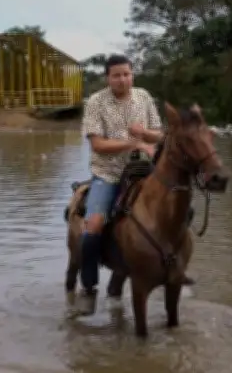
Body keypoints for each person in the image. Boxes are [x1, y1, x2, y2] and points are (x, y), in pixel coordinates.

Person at [77, 54, 168, 312]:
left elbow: (159, 135)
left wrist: (145, 134)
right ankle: (88, 286)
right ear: (108, 78)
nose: (122, 79)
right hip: (108, 173)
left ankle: (171, 272)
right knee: (93, 225)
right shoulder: (96, 102)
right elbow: (97, 144)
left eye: (126, 74)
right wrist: (133, 143)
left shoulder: (144, 97)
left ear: (132, 75)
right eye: (116, 75)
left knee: (177, 211)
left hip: (143, 172)